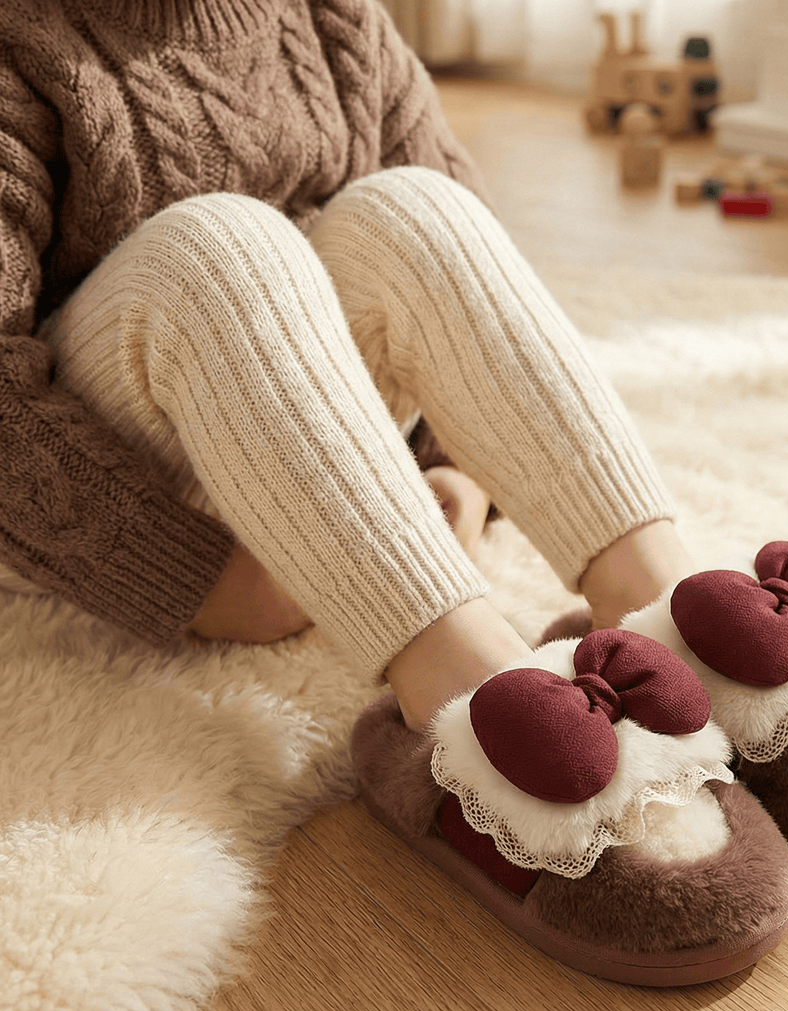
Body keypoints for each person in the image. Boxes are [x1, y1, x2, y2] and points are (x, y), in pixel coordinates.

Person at [0, 0, 695, 731]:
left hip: (302, 449)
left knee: (420, 210)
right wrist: (197, 576)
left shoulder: (333, 17)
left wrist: (454, 467)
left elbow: (464, 294)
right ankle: (478, 706)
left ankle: (674, 617)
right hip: (83, 481)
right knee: (223, 246)